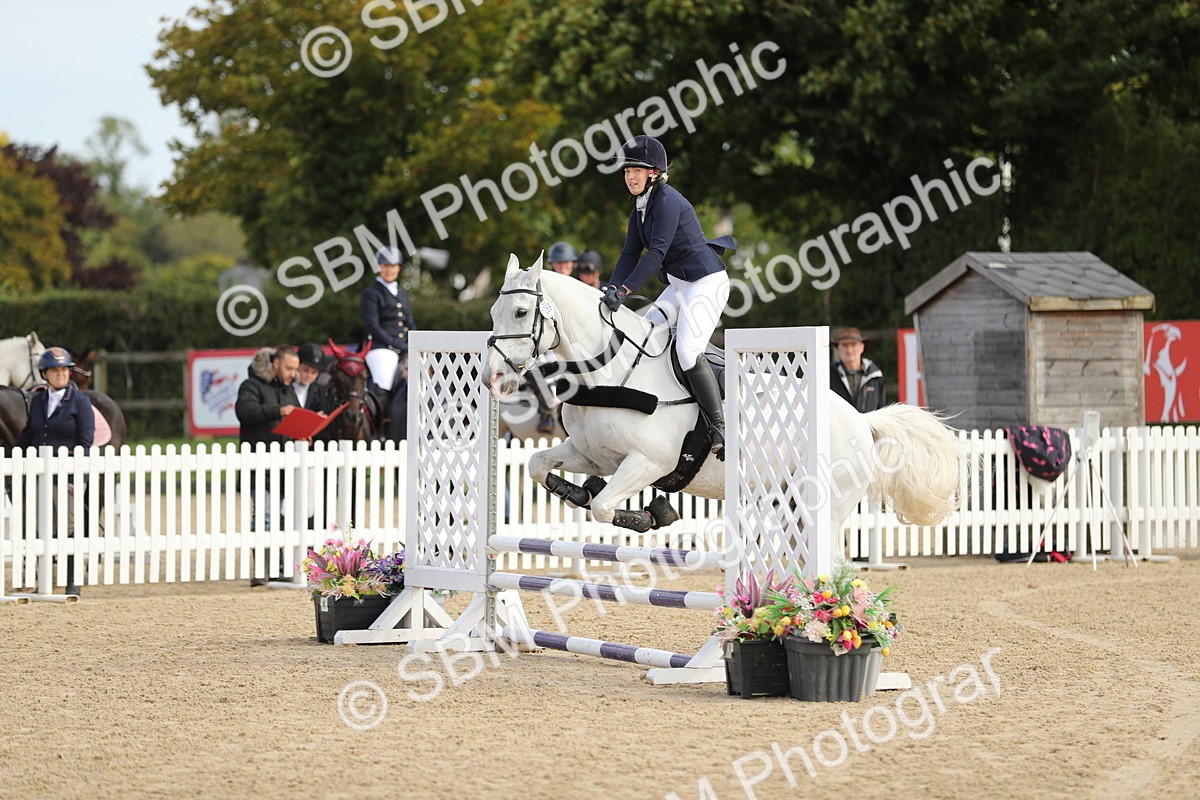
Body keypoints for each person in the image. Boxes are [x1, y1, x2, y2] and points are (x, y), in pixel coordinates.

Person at [602, 134, 730, 460]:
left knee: (687, 351)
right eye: (627, 170)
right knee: (645, 333)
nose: (630, 176)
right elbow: (630, 252)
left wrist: (626, 290)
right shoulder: (640, 208)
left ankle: (719, 428)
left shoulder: (668, 201)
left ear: (654, 173)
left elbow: (656, 252)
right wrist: (611, 288)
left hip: (706, 283)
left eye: (637, 170)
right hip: (678, 285)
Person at [17, 346, 95, 595]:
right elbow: (30, 432)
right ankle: (44, 580)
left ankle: (72, 582)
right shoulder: (38, 400)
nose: (60, 374)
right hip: (42, 475)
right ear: (45, 373)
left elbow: (85, 442)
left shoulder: (81, 402)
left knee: (69, 527)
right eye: (55, 370)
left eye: (64, 370)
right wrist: (13, 456)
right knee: (42, 527)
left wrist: (75, 477)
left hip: (68, 476)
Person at [235, 345, 300, 586]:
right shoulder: (250, 385)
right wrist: (278, 411)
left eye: (295, 369)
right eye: (289, 368)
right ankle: (262, 569)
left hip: (284, 467)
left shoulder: (288, 389)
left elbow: (292, 417)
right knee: (264, 518)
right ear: (275, 363)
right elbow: (245, 411)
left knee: (280, 519)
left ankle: (278, 567)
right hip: (259, 467)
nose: (293, 373)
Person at [360, 246, 417, 442]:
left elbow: (410, 323)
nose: (389, 270)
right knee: (384, 380)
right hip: (380, 347)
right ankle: (378, 429)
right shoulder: (371, 293)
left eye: (393, 266)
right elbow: (373, 326)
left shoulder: (402, 294)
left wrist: (418, 343)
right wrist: (396, 344)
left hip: (403, 347)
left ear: (398, 268)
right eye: (386, 266)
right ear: (379, 267)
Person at [830, 327, 886, 412]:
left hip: (868, 425)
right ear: (838, 348)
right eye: (845, 345)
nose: (849, 350)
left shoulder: (875, 375)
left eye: (853, 344)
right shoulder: (828, 374)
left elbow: (882, 410)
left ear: (862, 347)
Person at [294, 342, 338, 443]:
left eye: (314, 372)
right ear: (298, 366)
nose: (309, 376)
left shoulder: (319, 392)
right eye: (305, 370)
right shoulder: (285, 388)